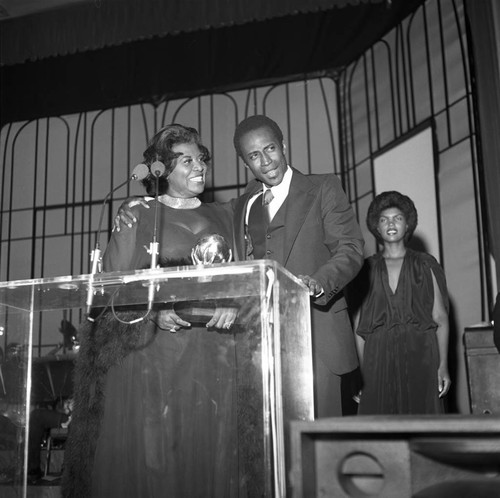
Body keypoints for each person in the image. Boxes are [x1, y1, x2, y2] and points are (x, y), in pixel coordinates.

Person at [115, 115, 365, 417]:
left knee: (317, 446)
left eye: (271, 149)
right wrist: (134, 205)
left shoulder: (323, 187)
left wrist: (318, 282)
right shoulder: (243, 204)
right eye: (254, 156)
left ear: (283, 145)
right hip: (256, 346)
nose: (266, 161)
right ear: (245, 163)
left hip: (317, 338)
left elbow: (350, 250)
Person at [62, 125, 239, 498]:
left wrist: (231, 303)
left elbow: (242, 276)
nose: (199, 166)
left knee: (205, 451)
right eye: (186, 160)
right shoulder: (137, 215)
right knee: (155, 459)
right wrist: (153, 310)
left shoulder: (225, 214)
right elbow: (110, 287)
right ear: (162, 170)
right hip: (152, 358)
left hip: (210, 355)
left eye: (201, 158)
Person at [353, 190, 451, 415]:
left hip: (422, 354)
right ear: (376, 227)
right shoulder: (364, 269)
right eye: (384, 219)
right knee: (380, 429)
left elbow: (440, 318)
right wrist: (359, 374)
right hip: (377, 357)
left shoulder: (425, 264)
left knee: (422, 425)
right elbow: (358, 329)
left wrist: (443, 365)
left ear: (408, 225)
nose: (391, 223)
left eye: (397, 218)